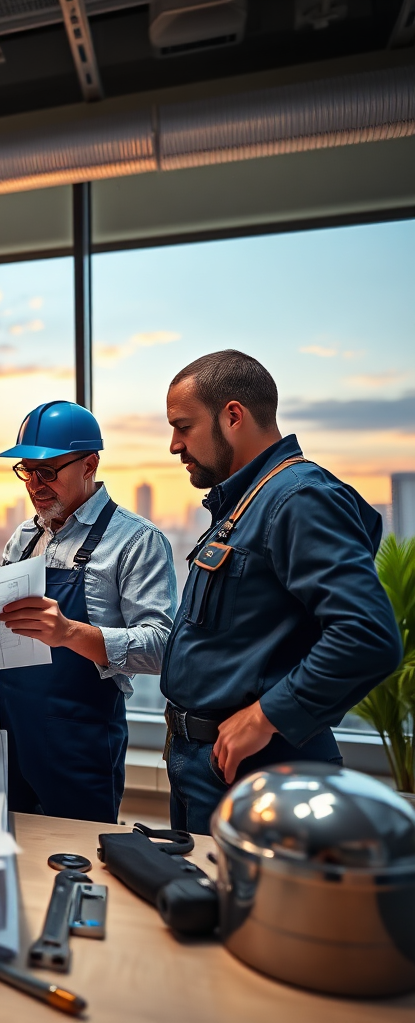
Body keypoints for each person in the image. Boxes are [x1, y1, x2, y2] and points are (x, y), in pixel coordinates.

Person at [162, 350, 402, 833]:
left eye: (183, 427)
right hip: (210, 764)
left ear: (233, 416)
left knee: (244, 908)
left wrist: (266, 716)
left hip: (258, 768)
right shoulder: (247, 502)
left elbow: (368, 635)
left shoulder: (298, 498)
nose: (174, 445)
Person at [0, 401, 177, 823]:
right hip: (10, 737)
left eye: (48, 472)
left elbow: (162, 647)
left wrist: (69, 633)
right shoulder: (22, 538)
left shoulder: (136, 541)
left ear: (89, 464)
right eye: (27, 470)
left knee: (76, 863)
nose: (35, 485)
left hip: (80, 746)